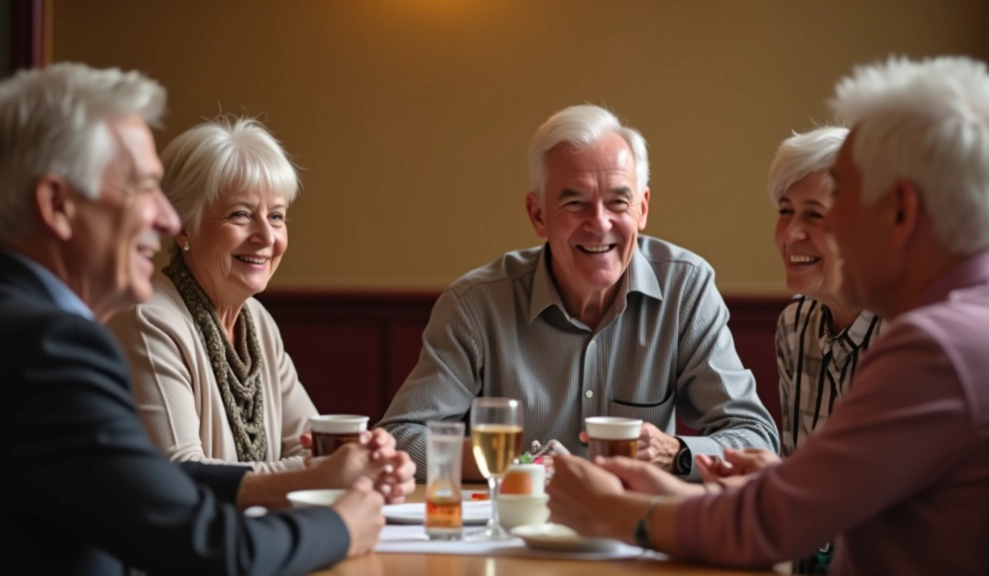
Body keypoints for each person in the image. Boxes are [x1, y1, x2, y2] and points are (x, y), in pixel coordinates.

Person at [545, 55, 989, 576]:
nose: (824, 225)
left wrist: (611, 512)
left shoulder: (934, 348)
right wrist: (716, 490)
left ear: (901, 211)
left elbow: (769, 529)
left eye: (841, 199)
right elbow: (821, 507)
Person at [0, 63, 398, 575]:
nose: (166, 219)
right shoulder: (48, 347)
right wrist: (342, 523)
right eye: (142, 189)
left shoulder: (32, 328)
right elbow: (207, 545)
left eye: (277, 215)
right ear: (57, 204)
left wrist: (335, 468)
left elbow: (156, 487)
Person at [378, 104, 779, 481]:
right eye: (575, 203)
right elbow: (399, 439)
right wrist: (518, 466)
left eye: (618, 202)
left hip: (636, 538)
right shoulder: (475, 305)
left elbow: (756, 437)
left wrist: (673, 453)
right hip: (515, 536)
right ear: (538, 215)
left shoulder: (685, 289)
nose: (599, 223)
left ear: (642, 208)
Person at [107, 117, 414, 497]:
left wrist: (371, 460)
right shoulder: (149, 320)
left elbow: (311, 442)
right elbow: (180, 476)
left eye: (277, 216)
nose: (266, 236)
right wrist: (325, 470)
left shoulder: (257, 322)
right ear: (183, 226)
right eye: (240, 214)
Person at [769, 127, 884, 458]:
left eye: (815, 214)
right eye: (785, 210)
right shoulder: (795, 325)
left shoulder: (905, 332)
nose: (790, 233)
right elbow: (795, 468)